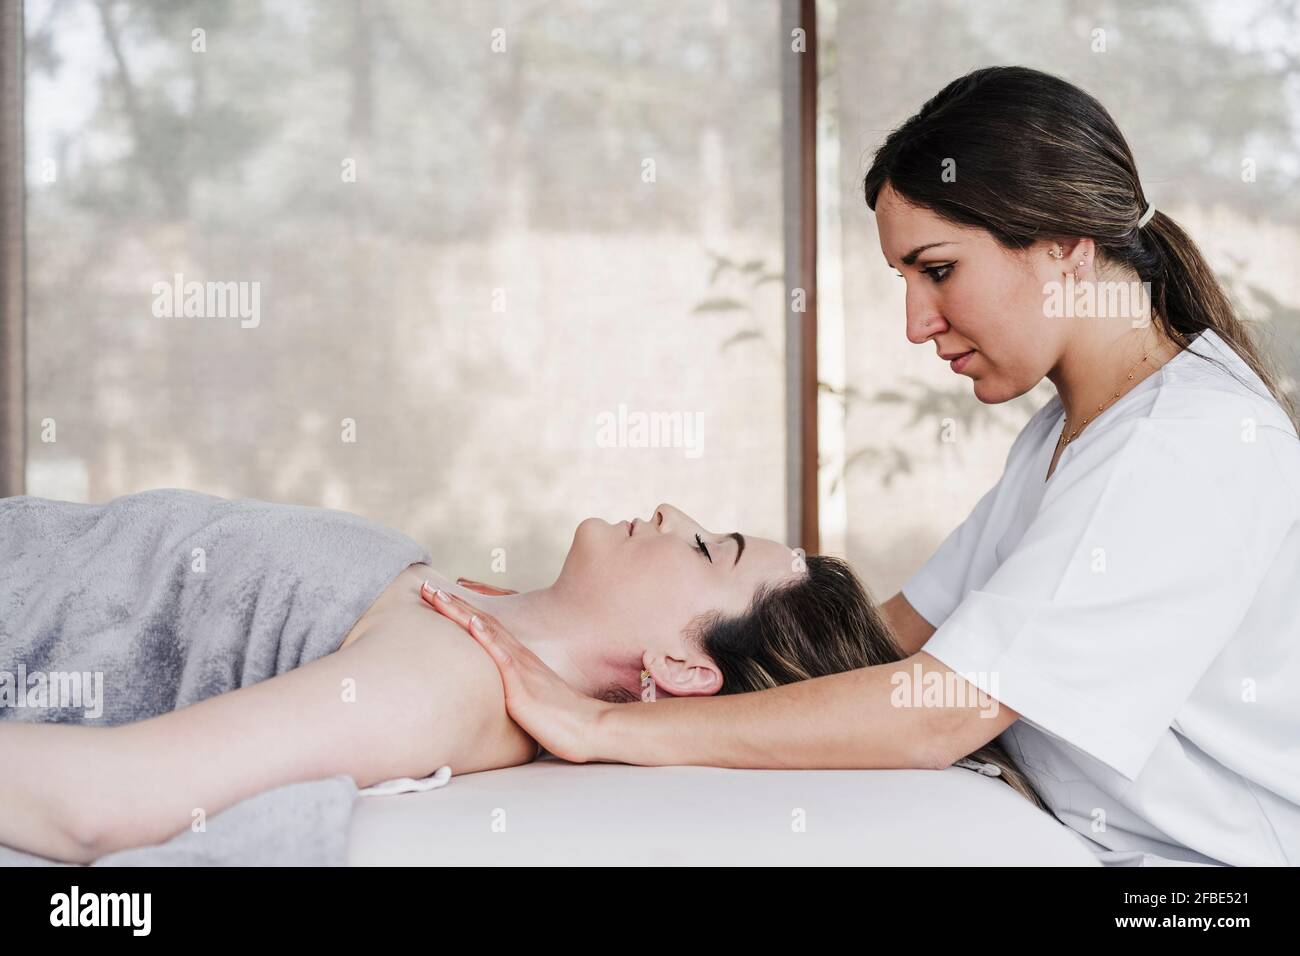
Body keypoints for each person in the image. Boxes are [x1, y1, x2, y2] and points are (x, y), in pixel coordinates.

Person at [423, 66, 1300, 867]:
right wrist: (568, 641)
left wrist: (601, 727)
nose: (917, 323)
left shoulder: (1189, 445)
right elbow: (891, 641)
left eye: (940, 270)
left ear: (1066, 247)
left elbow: (946, 708)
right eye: (904, 279)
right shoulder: (1070, 435)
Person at [0, 491, 1038, 864]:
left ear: (680, 664)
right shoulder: (468, 612)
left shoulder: (443, 682)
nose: (672, 509)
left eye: (709, 548)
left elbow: (105, 806)